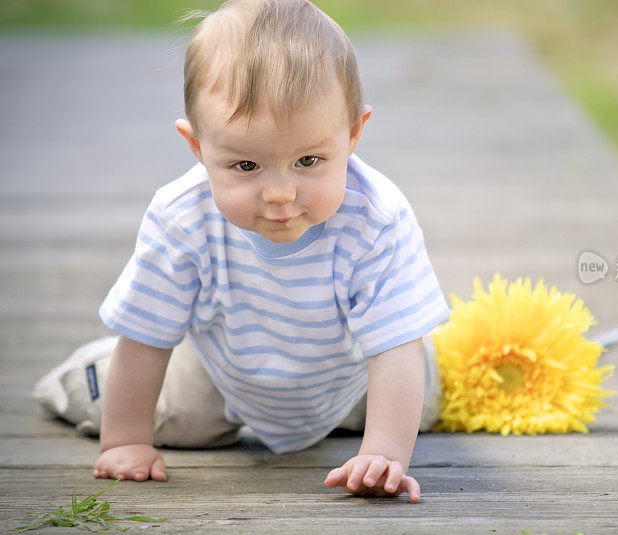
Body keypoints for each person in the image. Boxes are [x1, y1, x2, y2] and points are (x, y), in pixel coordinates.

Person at [34, 0, 449, 503]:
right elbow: (146, 337)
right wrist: (126, 440)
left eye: (309, 160)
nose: (280, 193)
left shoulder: (376, 222)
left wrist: (384, 453)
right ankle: (82, 376)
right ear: (198, 146)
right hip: (221, 375)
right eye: (247, 166)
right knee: (155, 408)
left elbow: (393, 349)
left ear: (354, 134)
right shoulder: (182, 219)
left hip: (352, 379)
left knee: (423, 388)